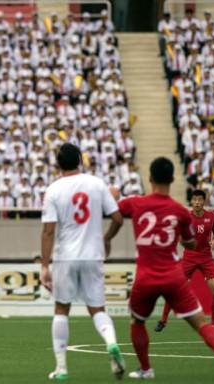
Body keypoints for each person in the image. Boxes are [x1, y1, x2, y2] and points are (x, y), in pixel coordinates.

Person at [117, 157, 214, 380]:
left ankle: (146, 369)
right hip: (172, 276)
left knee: (137, 321)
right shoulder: (179, 211)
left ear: (149, 178)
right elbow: (189, 243)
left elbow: (114, 211)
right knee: (201, 323)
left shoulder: (135, 203)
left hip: (146, 277)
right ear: (172, 179)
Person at [40, 143, 126, 381]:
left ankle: (62, 368)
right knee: (97, 309)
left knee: (61, 309)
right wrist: (106, 239)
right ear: (80, 160)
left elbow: (48, 232)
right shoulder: (97, 184)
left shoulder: (54, 190)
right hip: (93, 255)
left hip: (66, 256)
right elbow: (118, 218)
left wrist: (44, 266)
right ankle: (111, 343)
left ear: (58, 164)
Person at [155, 189, 214, 332]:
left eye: (199, 200)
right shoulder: (185, 217)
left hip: (206, 257)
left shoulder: (211, 216)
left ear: (204, 202)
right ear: (191, 201)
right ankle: (163, 320)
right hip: (189, 257)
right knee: (174, 288)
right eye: (194, 200)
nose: (197, 202)